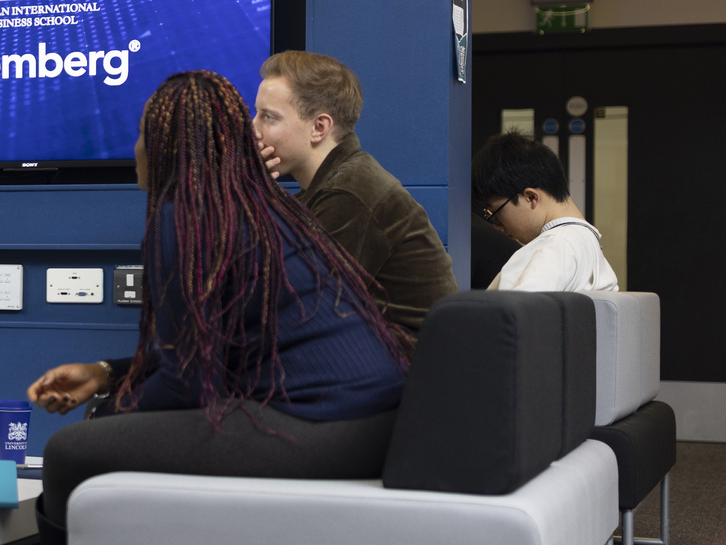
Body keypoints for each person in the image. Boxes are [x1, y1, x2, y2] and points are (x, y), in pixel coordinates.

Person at [25, 71, 410, 545]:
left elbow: (189, 385)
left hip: (323, 427)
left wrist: (108, 411)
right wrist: (108, 374)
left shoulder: (183, 216)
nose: (134, 149)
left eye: (142, 134)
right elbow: (211, 348)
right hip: (372, 422)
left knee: (73, 450)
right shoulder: (255, 207)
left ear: (165, 147)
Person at [252, 50, 458, 351]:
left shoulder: (348, 193)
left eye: (268, 117)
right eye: (257, 113)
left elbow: (292, 305)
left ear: (319, 127)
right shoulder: (329, 185)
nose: (253, 127)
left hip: (411, 372)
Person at [472, 132, 619, 291]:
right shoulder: (585, 240)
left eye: (495, 214)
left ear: (530, 197)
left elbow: (516, 313)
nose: (497, 226)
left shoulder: (556, 246)